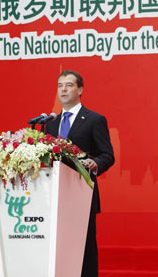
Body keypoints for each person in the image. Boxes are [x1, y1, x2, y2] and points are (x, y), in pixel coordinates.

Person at [45, 69, 115, 277]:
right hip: (54, 198)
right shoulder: (50, 123)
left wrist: (95, 163)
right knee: (57, 249)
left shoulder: (94, 120)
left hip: (81, 194)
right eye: (60, 86)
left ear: (80, 89)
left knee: (84, 250)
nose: (63, 90)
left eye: (68, 85)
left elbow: (107, 155)